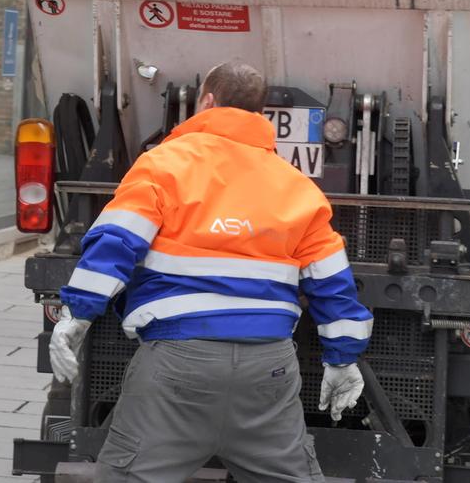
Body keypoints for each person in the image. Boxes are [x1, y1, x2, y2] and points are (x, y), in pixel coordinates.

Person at [49, 62, 373, 482]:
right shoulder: (296, 185)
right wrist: (342, 358)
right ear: (261, 114)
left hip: (177, 362)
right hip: (269, 367)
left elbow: (117, 241)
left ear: (206, 101)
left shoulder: (164, 164)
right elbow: (332, 280)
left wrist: (77, 315)